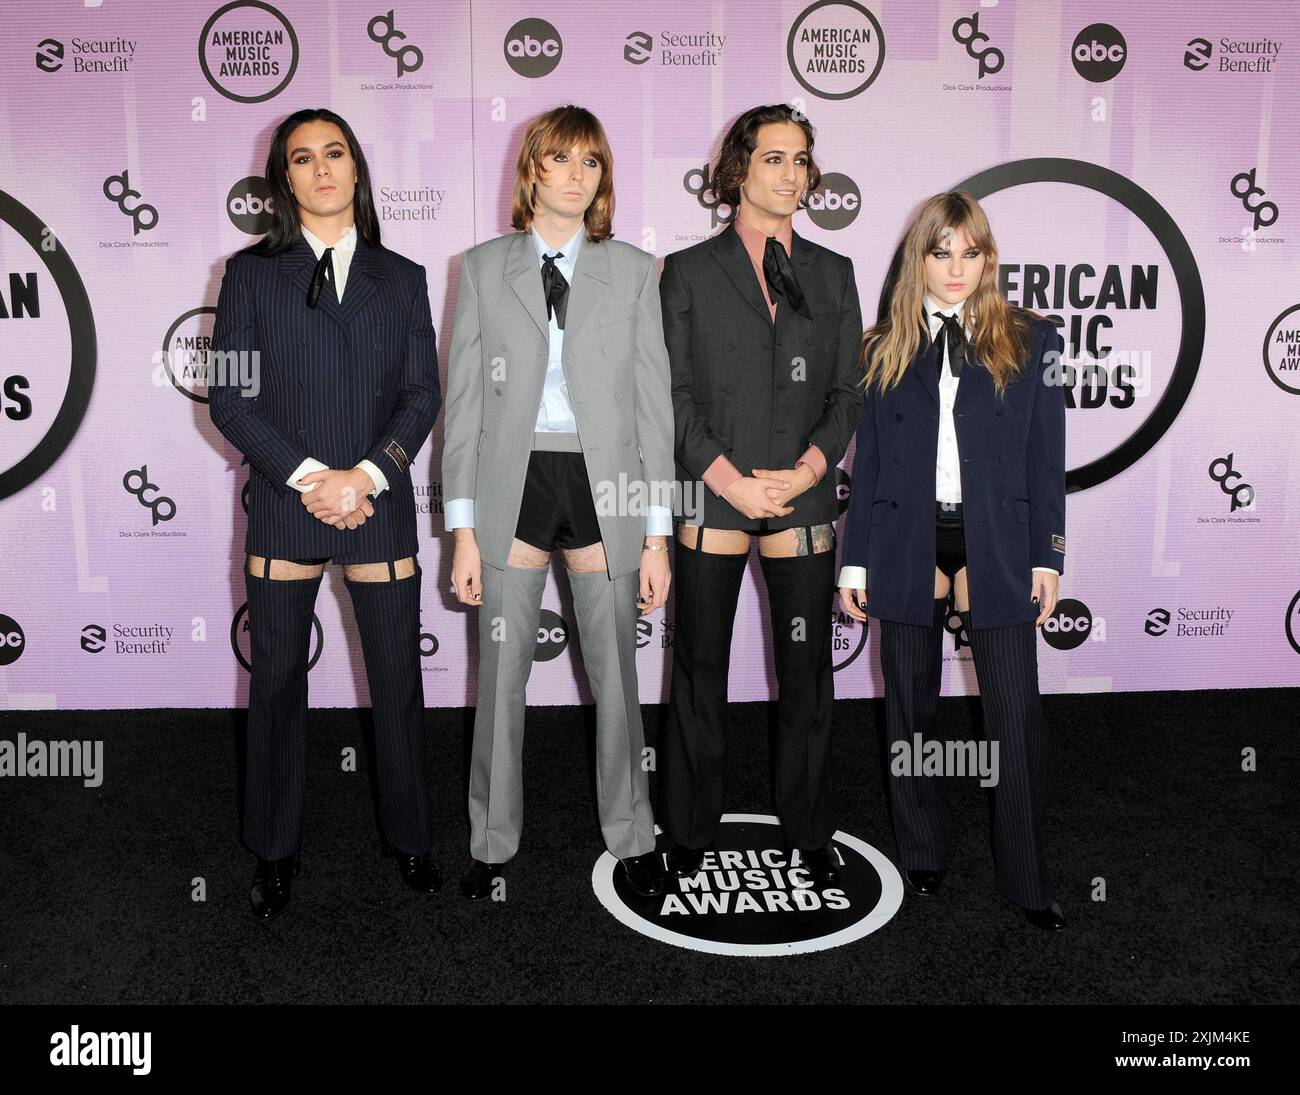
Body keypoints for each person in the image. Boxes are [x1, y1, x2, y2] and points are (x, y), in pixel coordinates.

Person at [209, 108, 442, 920]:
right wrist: (314, 478)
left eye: (334, 152)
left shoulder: (404, 276)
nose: (321, 169)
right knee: (275, 682)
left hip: (376, 502)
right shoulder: (248, 275)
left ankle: (411, 833)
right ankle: (274, 848)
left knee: (398, 679)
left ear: (357, 166)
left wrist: (368, 477)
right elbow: (232, 399)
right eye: (302, 158)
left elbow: (423, 395)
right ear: (284, 178)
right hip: (286, 502)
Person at [442, 105, 675, 900]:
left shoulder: (636, 270)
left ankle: (633, 832)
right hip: (514, 486)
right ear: (532, 168)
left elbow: (654, 414)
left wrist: (656, 537)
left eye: (591, 163)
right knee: (500, 675)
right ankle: (491, 839)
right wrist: (463, 531)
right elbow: (464, 409)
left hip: (603, 486)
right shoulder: (479, 268)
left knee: (616, 673)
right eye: (561, 159)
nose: (577, 175)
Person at [837, 190, 1067, 930]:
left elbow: (1045, 460)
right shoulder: (882, 347)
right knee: (910, 711)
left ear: (988, 258)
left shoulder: (1032, 339)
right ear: (920, 257)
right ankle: (924, 848)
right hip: (907, 540)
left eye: (972, 252)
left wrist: (1048, 557)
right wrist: (855, 563)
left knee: (1015, 715)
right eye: (943, 251)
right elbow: (867, 463)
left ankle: (1028, 878)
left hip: (995, 542)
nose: (957, 267)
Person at [658, 104, 864, 884]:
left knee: (807, 674)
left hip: (804, 498)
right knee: (698, 671)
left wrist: (811, 469)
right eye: (773, 157)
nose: (791, 173)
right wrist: (728, 477)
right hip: (714, 497)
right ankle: (687, 828)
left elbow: (848, 391)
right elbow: (672, 395)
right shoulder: (685, 271)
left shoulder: (836, 273)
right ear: (738, 167)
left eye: (801, 159)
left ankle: (810, 829)